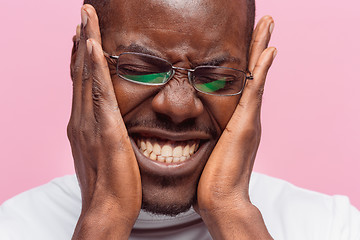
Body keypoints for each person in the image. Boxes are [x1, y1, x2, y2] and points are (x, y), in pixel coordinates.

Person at [1, 0, 359, 239]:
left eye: (217, 77)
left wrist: (231, 213)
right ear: (80, 64)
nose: (179, 106)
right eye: (140, 69)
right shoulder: (15, 228)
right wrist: (105, 218)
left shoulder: (330, 227)